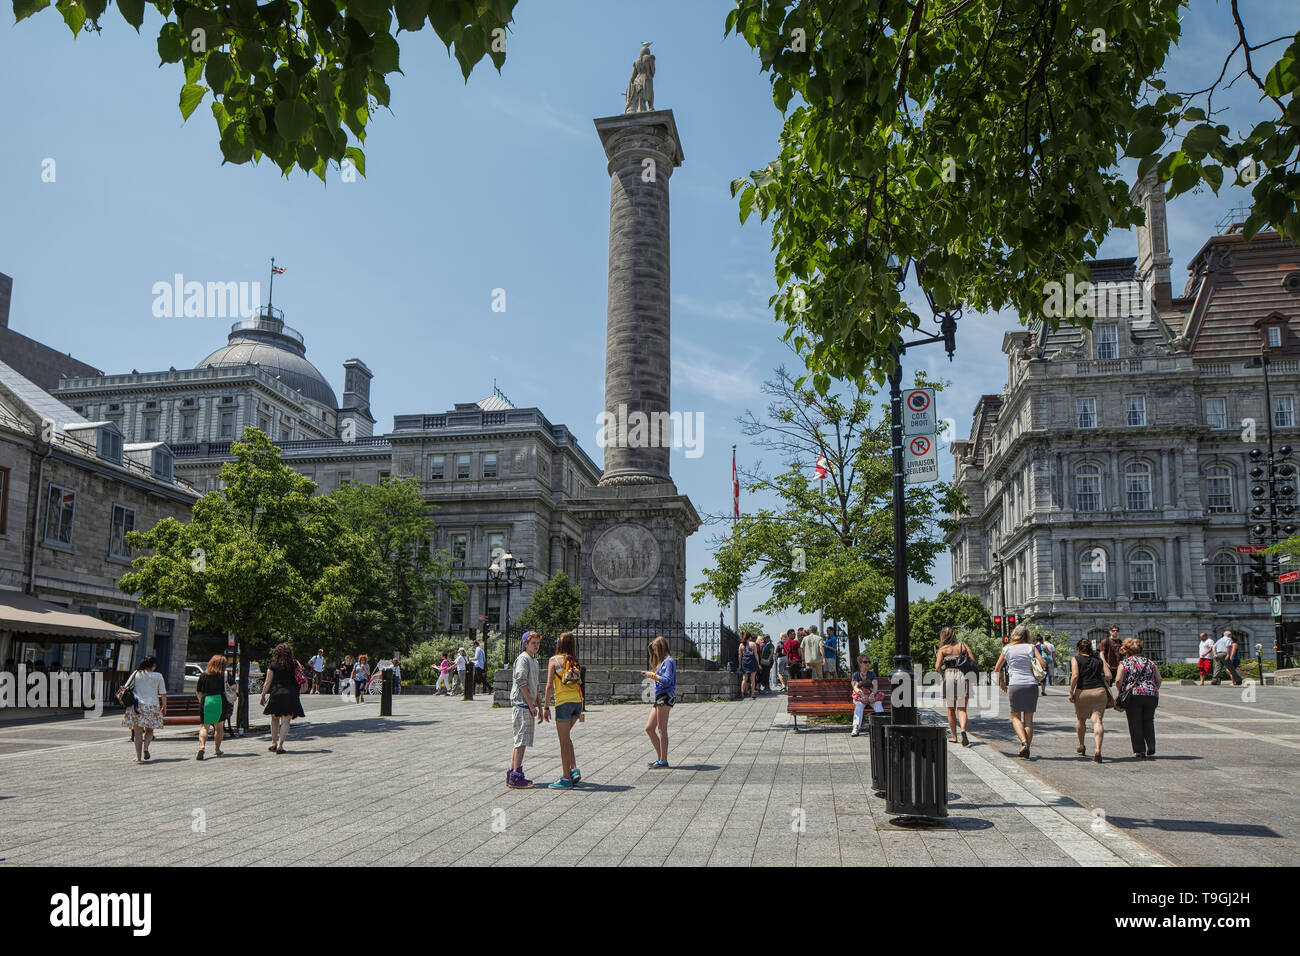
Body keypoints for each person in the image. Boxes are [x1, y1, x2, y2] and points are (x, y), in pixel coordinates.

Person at [542, 630, 585, 789]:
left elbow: (548, 687)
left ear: (559, 644)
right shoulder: (574, 661)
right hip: (576, 704)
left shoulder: (554, 660)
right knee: (566, 738)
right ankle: (573, 769)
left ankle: (566, 778)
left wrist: (546, 707)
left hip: (563, 704)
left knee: (563, 742)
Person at [994, 625, 1045, 758]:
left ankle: (1023, 744)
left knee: (1015, 716)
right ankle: (1026, 746)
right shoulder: (1031, 647)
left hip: (1015, 684)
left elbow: (997, 668)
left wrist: (1002, 682)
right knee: (1029, 720)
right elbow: (1043, 663)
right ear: (1027, 635)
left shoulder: (1007, 649)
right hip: (1031, 685)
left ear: (1014, 635)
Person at [506, 631, 542, 789]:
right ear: (525, 644)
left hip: (527, 704)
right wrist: (531, 704)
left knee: (520, 740)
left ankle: (513, 772)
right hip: (521, 704)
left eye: (538, 643)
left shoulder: (534, 661)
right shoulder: (523, 659)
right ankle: (515, 775)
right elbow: (521, 682)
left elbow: (535, 685)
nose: (536, 646)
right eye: (533, 643)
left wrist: (540, 706)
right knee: (521, 740)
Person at [1116, 636, 1162, 759]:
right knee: (1148, 720)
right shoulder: (1150, 662)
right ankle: (1151, 745)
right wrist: (1153, 689)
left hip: (1133, 695)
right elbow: (1159, 679)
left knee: (1134, 722)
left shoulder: (1125, 663)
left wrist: (1120, 691)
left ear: (1127, 651)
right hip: (1151, 695)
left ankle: (1139, 750)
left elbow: (1118, 680)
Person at [1068, 638, 1111, 763]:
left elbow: (1075, 675)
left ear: (1078, 649)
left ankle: (1081, 745)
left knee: (1081, 720)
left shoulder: (1076, 659)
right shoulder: (1098, 660)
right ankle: (1098, 750)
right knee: (1097, 721)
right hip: (1099, 691)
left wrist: (1071, 691)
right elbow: (1108, 676)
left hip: (1083, 691)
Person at [259, 642, 305, 753]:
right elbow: (301, 675)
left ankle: (273, 743)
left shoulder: (273, 665)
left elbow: (268, 682)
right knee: (286, 721)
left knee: (274, 719)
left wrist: (263, 695)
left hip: (276, 693)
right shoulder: (294, 664)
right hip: (291, 694)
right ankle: (280, 745)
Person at [934, 627, 973, 746]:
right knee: (962, 708)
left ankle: (954, 736)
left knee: (951, 709)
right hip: (962, 675)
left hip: (949, 675)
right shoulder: (963, 646)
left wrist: (943, 673)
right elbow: (972, 661)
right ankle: (963, 731)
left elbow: (937, 666)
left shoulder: (943, 649)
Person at [123, 656, 166, 763]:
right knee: (150, 730)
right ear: (153, 665)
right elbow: (163, 693)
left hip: (137, 706)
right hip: (152, 706)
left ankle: (138, 758)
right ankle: (146, 748)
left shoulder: (136, 674)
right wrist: (164, 706)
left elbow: (126, 687)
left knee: (137, 732)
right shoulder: (158, 676)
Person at [642, 636, 675, 768]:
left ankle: (663, 760)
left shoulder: (669, 662)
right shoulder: (662, 662)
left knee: (661, 729)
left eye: (655, 650)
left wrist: (652, 675)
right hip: (659, 697)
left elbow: (667, 680)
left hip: (665, 696)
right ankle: (660, 757)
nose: (654, 653)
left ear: (661, 648)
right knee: (649, 728)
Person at [195, 654, 231, 760]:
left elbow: (198, 691)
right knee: (218, 727)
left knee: (204, 726)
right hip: (219, 700)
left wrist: (201, 701)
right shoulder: (224, 675)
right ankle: (217, 749)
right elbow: (233, 686)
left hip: (206, 700)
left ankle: (202, 747)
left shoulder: (204, 675)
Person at [849, 655, 883, 737]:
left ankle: (881, 728)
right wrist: (862, 695)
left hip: (871, 695)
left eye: (869, 662)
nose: (868, 663)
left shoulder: (872, 674)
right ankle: (855, 728)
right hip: (860, 695)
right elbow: (855, 687)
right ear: (860, 663)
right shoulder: (856, 675)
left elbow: (875, 686)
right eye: (865, 662)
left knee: (878, 704)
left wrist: (872, 694)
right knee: (859, 705)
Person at [738, 632, 759, 699]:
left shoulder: (741, 645)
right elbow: (756, 654)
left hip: (744, 661)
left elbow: (740, 655)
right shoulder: (753, 644)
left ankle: (742, 693)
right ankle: (752, 693)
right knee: (752, 679)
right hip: (752, 661)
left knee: (744, 679)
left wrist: (739, 664)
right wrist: (758, 663)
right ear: (749, 637)